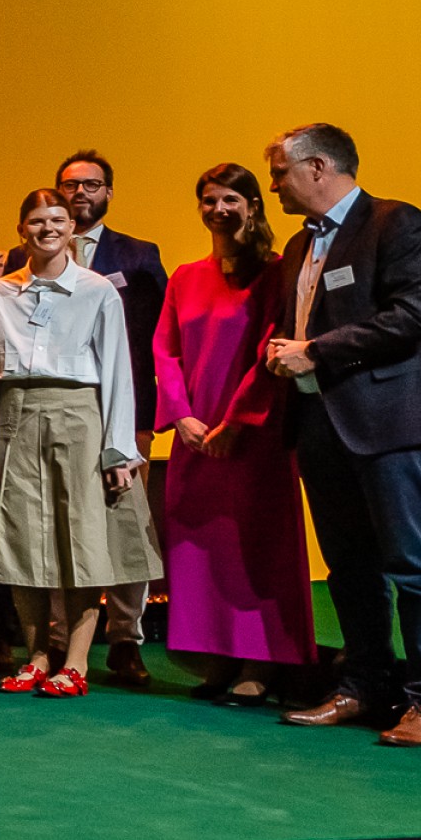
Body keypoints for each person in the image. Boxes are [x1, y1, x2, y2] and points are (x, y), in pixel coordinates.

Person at [263, 124, 421, 747]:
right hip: (322, 422)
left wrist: (315, 350)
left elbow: (414, 316)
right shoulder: (299, 245)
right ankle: (364, 686)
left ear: (318, 167)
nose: (273, 186)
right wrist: (284, 353)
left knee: (414, 564)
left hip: (393, 420)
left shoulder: (396, 223)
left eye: (280, 172)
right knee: (349, 567)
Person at [0, 188, 151, 698]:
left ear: (72, 228)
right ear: (21, 230)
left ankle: (75, 662)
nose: (47, 229)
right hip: (16, 417)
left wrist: (118, 450)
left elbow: (117, 372)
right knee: (21, 540)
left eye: (57, 220)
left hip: (79, 416)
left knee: (82, 541)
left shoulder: (97, 290)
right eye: (36, 221)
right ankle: (36, 657)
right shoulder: (0, 292)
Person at [153, 163, 311, 705]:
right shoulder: (184, 276)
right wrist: (181, 417)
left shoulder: (275, 274)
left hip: (252, 438)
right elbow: (165, 351)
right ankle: (214, 657)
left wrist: (235, 423)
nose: (218, 209)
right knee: (199, 550)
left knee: (256, 549)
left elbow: (272, 349)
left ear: (252, 206)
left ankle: (259, 661)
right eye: (209, 200)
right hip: (195, 437)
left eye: (230, 200)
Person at [12, 150, 167, 685]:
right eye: (70, 185)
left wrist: (136, 424)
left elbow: (151, 341)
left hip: (123, 410)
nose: (80, 193)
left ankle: (125, 637)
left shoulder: (139, 255)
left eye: (91, 184)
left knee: (121, 526)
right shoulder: (24, 257)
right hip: (50, 415)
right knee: (57, 525)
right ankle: (59, 640)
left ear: (108, 192)